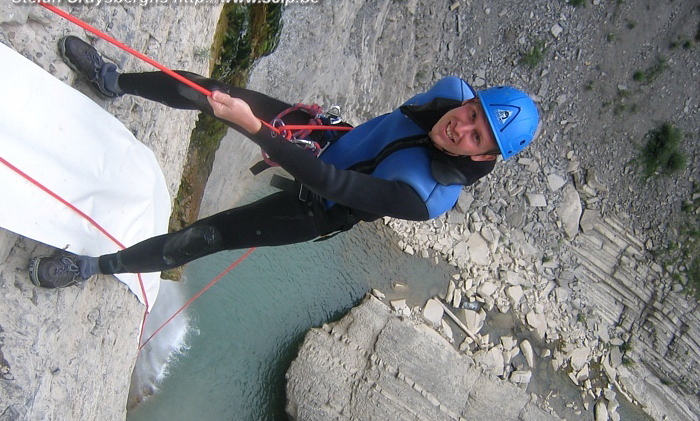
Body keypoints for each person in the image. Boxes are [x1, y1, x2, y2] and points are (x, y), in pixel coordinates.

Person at [29, 36, 540, 288]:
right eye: (473, 113)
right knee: (211, 92)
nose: (460, 126)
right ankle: (113, 82)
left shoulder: (428, 197)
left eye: (476, 135)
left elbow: (334, 184)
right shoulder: (448, 93)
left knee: (206, 237)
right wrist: (280, 128)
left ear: (485, 156)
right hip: (327, 139)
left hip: (317, 204)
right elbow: (377, 142)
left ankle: (91, 267)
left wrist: (258, 130)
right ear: (472, 99)